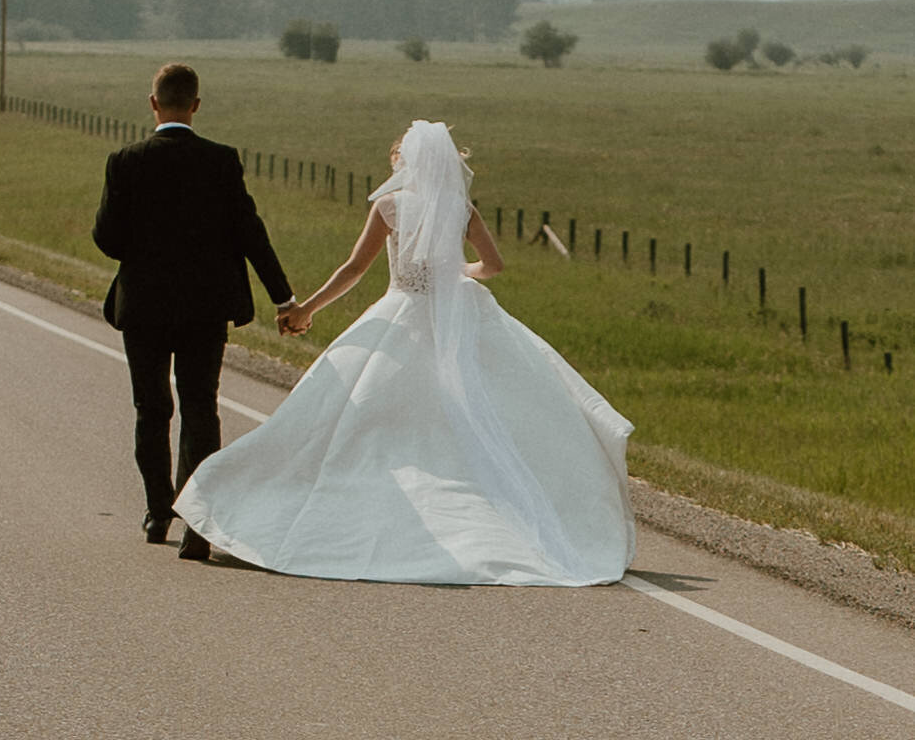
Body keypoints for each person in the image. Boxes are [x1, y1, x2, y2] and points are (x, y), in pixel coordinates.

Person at [176, 119, 635, 584]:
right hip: (456, 313)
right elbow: (494, 266)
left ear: (405, 164)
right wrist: (458, 272)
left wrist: (306, 309)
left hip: (400, 312)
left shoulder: (389, 206)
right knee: (474, 410)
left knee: (362, 411)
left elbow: (355, 268)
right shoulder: (462, 210)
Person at [92, 61, 296, 561]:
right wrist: (283, 297)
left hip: (143, 306)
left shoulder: (125, 161)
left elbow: (108, 239)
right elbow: (251, 232)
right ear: (196, 105)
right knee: (201, 405)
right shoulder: (221, 161)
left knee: (152, 407)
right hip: (206, 307)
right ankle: (198, 523)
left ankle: (158, 510)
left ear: (153, 103)